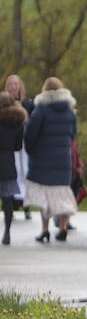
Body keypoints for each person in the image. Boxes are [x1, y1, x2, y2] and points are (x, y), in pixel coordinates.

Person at [23, 77, 78, 243]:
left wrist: (30, 149)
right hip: (63, 159)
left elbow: (31, 134)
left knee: (45, 196)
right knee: (62, 193)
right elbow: (73, 134)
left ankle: (45, 230)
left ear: (44, 91)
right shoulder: (69, 110)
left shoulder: (41, 110)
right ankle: (62, 227)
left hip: (42, 159)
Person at [0, 92, 29, 245]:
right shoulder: (18, 123)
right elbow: (18, 146)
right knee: (7, 200)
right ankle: (7, 233)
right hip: (8, 163)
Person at [4, 74, 33, 220]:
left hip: (24, 144)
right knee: (13, 172)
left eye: (16, 84)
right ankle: (13, 204)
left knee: (25, 171)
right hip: (11, 145)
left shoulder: (27, 104)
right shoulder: (4, 104)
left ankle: (26, 204)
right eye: (11, 84)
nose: (14, 87)